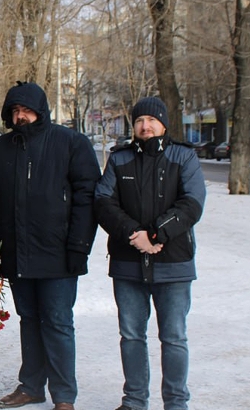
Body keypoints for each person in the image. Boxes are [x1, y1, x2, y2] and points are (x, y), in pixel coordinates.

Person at [0, 82, 100, 410]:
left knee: (58, 322)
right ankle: (31, 385)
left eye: (27, 110)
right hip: (17, 253)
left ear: (41, 111)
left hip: (58, 253)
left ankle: (64, 396)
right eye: (15, 111)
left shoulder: (71, 143)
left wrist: (79, 246)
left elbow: (87, 197)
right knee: (29, 320)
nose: (21, 116)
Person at [94, 97, 205, 410]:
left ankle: (176, 403)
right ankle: (134, 401)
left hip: (174, 264)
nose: (145, 126)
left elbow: (192, 203)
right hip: (128, 264)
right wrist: (134, 235)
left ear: (164, 123)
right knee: (131, 336)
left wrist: (156, 234)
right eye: (139, 121)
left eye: (151, 120)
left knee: (174, 337)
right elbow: (103, 202)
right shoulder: (119, 159)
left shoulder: (184, 157)